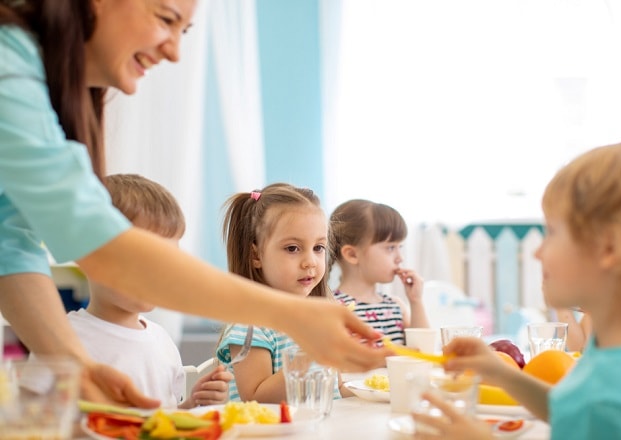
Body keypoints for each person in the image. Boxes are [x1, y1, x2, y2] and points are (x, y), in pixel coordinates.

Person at [0, 0, 387, 408]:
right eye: (166, 20)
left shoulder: (37, 83)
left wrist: (75, 364)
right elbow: (106, 248)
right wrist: (292, 315)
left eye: (183, 31)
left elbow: (10, 245)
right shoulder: (10, 72)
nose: (173, 52)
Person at [412, 139, 621, 439]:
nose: (537, 252)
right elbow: (577, 414)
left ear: (609, 247)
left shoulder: (618, 390)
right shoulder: (620, 351)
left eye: (552, 232)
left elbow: (597, 412)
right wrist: (501, 374)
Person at [68, 174, 233, 409]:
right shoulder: (61, 339)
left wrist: (194, 402)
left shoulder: (162, 341)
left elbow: (164, 418)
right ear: (89, 255)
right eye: (143, 260)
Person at [216, 183, 351, 402]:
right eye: (292, 248)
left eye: (318, 248)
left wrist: (376, 391)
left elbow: (336, 389)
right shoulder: (251, 325)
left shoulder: (319, 318)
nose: (310, 262)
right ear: (256, 255)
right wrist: (311, 353)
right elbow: (255, 397)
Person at [329, 199, 430, 346]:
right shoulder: (332, 308)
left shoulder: (396, 307)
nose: (399, 258)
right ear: (352, 255)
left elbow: (422, 351)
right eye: (390, 248)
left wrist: (416, 301)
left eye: (399, 247)